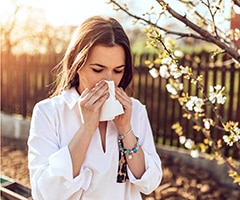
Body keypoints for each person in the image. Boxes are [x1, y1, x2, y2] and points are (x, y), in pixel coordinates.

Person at [28, 16, 162, 200]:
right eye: (98, 70)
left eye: (118, 71)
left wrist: (126, 129)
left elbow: (150, 183)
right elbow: (45, 194)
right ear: (77, 65)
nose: (108, 81)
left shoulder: (135, 111)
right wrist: (86, 129)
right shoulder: (49, 113)